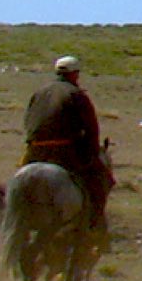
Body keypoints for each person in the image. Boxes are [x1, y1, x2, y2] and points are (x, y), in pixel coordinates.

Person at [22, 55, 113, 231]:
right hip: (64, 152)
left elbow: (28, 121)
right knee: (100, 181)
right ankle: (95, 226)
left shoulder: (39, 92)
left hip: (34, 151)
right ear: (75, 74)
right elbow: (91, 129)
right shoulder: (76, 94)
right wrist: (92, 152)